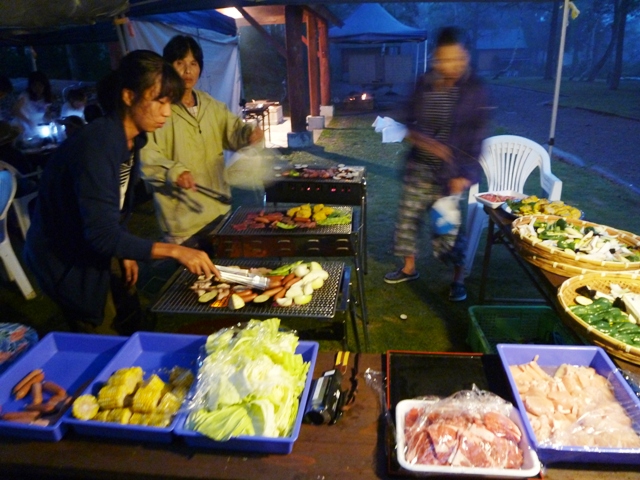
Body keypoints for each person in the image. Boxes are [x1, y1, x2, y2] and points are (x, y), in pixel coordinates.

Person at [23, 50, 220, 334]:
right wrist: (176, 251)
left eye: (170, 103)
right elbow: (101, 234)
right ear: (129, 96)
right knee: (99, 327)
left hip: (96, 239)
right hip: (65, 257)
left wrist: (125, 250)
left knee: (130, 311)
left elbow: (113, 208)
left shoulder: (132, 140)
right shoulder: (98, 144)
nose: (167, 111)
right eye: (159, 101)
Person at [384, 26, 490, 302]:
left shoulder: (475, 91)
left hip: (451, 172)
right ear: (435, 58)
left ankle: (457, 279)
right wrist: (420, 139)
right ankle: (409, 268)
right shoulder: (423, 84)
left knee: (448, 228)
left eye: (455, 59)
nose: (449, 65)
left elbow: (477, 138)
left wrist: (465, 174)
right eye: (443, 59)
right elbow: (407, 122)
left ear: (466, 56)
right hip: (419, 167)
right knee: (407, 220)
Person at [140, 35, 264, 245]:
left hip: (218, 210)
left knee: (223, 273)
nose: (188, 71)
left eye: (193, 63)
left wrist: (248, 134)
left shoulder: (210, 105)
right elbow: (145, 157)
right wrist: (173, 172)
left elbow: (232, 131)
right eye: (180, 63)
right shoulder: (159, 108)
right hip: (182, 222)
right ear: (168, 67)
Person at [12, 71, 53, 139]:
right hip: (22, 125)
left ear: (45, 86)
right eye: (34, 85)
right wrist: (28, 122)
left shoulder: (46, 98)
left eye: (40, 85)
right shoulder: (25, 96)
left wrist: (49, 119)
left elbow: (46, 112)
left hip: (38, 127)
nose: (37, 88)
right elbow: (15, 110)